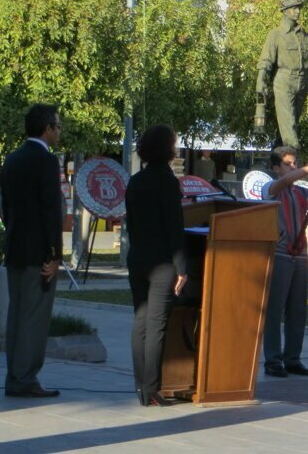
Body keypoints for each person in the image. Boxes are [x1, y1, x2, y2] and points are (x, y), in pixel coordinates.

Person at [2, 104, 63, 398]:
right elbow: (52, 211)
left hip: (14, 249)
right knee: (34, 318)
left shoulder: (11, 160)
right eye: (58, 126)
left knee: (16, 315)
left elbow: (6, 209)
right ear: (47, 129)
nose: (59, 132)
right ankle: (25, 378)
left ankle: (15, 374)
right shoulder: (47, 162)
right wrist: (55, 256)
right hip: (39, 255)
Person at [125, 125, 187, 407]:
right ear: (167, 148)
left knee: (141, 323)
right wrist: (182, 268)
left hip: (137, 258)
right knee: (156, 325)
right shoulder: (168, 181)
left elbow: (133, 224)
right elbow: (174, 228)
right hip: (162, 262)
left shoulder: (135, 181)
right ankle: (152, 389)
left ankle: (141, 386)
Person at [262, 146, 308, 378]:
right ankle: (273, 360)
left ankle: (293, 358)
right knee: (275, 310)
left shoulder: (301, 192)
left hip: (300, 256)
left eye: (295, 162)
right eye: (288, 163)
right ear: (276, 168)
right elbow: (285, 182)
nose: (293, 167)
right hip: (281, 254)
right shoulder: (271, 188)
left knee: (298, 310)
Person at [256, 0, 308, 149]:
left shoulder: (304, 35)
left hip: (302, 83)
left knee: (292, 125)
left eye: (299, 8)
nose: (298, 11)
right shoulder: (276, 35)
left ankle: (278, 155)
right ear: (285, 11)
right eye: (294, 8)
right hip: (284, 81)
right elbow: (266, 62)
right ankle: (295, 162)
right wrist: (261, 83)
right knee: (289, 127)